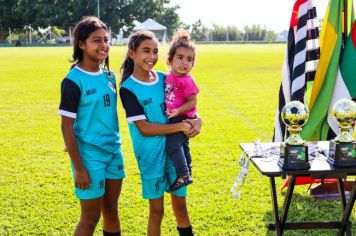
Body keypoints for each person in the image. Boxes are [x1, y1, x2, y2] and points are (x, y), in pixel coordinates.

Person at [119, 30, 201, 236]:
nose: (152, 57)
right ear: (131, 53)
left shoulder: (166, 78)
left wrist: (198, 120)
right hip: (150, 155)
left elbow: (188, 105)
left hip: (175, 153)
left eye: (155, 51)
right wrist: (181, 127)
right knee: (157, 211)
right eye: (146, 51)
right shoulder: (128, 88)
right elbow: (145, 128)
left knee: (181, 207)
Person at [58, 16, 125, 236]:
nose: (103, 45)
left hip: (114, 152)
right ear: (81, 44)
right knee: (90, 218)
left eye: (106, 40)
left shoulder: (109, 75)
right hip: (89, 157)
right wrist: (79, 167)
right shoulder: (73, 80)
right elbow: (67, 127)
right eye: (96, 40)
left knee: (112, 212)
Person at [164, 29, 199, 191]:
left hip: (182, 117)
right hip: (177, 116)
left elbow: (192, 101)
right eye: (180, 58)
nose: (184, 63)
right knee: (184, 147)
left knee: (173, 145)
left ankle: (183, 174)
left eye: (189, 60)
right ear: (170, 60)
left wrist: (177, 111)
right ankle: (188, 172)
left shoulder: (187, 80)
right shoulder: (169, 76)